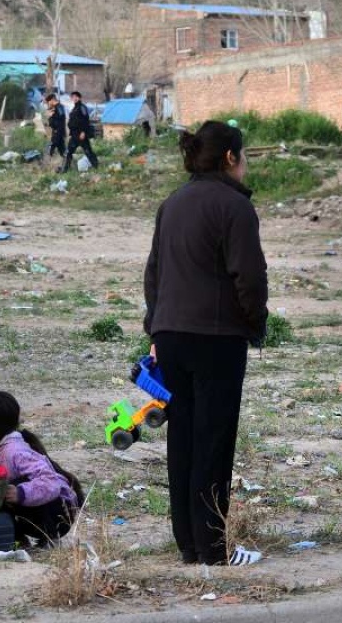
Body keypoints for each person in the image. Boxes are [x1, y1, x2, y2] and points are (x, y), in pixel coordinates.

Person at [143, 121, 268, 567]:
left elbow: (154, 273)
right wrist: (256, 323)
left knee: (183, 439)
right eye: (244, 155)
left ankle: (189, 546)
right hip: (217, 340)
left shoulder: (172, 204)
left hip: (171, 336)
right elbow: (249, 277)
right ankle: (212, 546)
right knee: (213, 442)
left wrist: (155, 330)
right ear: (230, 158)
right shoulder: (234, 207)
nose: (245, 163)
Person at [0, 390, 83, 545]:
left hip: (58, 515)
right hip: (31, 510)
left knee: (3, 488)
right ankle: (16, 539)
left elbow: (51, 482)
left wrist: (20, 493)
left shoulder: (15, 451)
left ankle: (35, 537)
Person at [61, 91, 99, 173]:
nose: (74, 98)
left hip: (81, 135)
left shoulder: (82, 107)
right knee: (70, 152)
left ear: (79, 98)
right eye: (73, 97)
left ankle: (96, 167)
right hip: (75, 135)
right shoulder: (74, 108)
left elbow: (86, 120)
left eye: (76, 97)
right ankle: (64, 169)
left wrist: (83, 132)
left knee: (86, 151)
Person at [45, 93, 66, 160]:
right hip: (57, 131)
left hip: (58, 131)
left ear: (52, 100)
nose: (48, 104)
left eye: (48, 102)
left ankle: (46, 161)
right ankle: (67, 162)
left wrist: (51, 116)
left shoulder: (59, 107)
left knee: (51, 146)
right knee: (62, 149)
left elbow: (61, 118)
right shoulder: (55, 108)